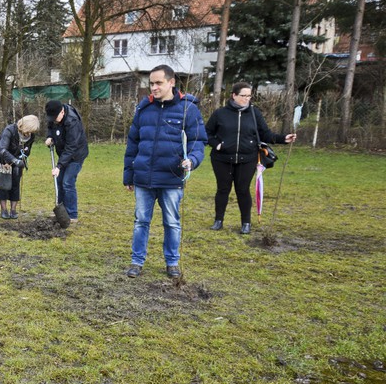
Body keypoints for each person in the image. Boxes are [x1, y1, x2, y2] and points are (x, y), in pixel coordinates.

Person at [123, 64, 207, 279]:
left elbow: (198, 141)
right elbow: (132, 144)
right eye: (151, 83)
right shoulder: (144, 109)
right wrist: (128, 175)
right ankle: (136, 261)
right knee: (141, 221)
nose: (154, 87)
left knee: (171, 222)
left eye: (158, 83)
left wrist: (193, 160)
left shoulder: (188, 109)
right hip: (143, 178)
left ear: (171, 82)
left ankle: (172, 262)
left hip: (171, 178)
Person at [205, 81, 297, 234]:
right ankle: (218, 220)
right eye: (243, 96)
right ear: (234, 95)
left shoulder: (255, 113)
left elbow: (265, 134)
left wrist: (283, 139)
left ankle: (246, 223)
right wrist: (217, 145)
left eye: (249, 96)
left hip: (247, 159)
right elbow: (207, 133)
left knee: (243, 190)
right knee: (223, 189)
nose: (246, 99)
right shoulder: (220, 113)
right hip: (222, 159)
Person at [44, 100, 89, 223]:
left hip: (76, 154)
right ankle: (62, 212)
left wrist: (59, 166)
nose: (53, 120)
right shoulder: (54, 115)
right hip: (64, 153)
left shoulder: (72, 121)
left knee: (68, 182)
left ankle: (72, 214)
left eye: (55, 117)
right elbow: (50, 127)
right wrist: (49, 137)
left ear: (62, 112)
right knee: (59, 181)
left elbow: (71, 147)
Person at [0, 115, 39, 219]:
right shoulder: (10, 130)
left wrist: (22, 157)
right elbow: (2, 149)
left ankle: (13, 210)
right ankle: (4, 210)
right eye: (29, 130)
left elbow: (27, 151)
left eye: (32, 131)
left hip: (17, 161)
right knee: (3, 184)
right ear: (24, 126)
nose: (29, 134)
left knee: (15, 183)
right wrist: (13, 161)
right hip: (1, 158)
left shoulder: (31, 136)